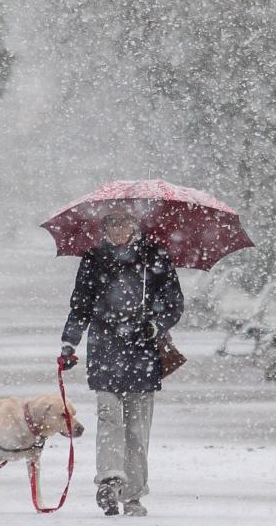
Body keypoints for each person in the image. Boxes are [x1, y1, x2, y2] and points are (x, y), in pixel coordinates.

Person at [59, 202, 183, 517]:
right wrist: (69, 343)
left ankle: (133, 495)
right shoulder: (93, 260)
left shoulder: (155, 258)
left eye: (123, 222)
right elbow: (80, 305)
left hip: (142, 354)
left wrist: (154, 323)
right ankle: (110, 480)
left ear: (135, 225)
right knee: (108, 419)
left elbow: (174, 303)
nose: (118, 229)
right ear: (103, 228)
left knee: (137, 430)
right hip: (104, 352)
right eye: (111, 223)